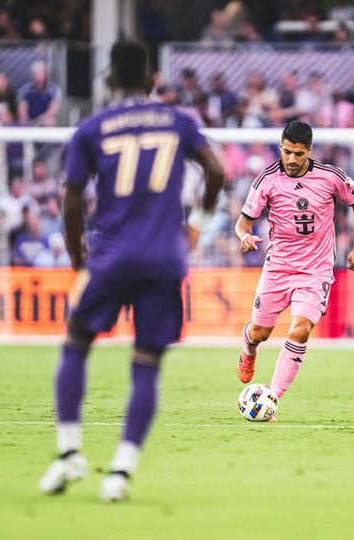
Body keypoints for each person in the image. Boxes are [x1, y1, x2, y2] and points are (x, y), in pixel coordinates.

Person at [38, 41, 225, 501]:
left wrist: (81, 262)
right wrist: (196, 226)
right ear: (151, 79)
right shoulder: (179, 121)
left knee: (76, 342)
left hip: (113, 254)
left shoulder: (93, 128)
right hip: (164, 258)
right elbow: (216, 173)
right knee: (146, 364)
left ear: (108, 81)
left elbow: (73, 199)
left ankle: (69, 455)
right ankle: (120, 471)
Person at [235, 120, 354, 415]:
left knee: (300, 330)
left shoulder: (330, 177)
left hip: (315, 271)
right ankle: (248, 350)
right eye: (286, 152)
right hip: (278, 268)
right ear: (280, 148)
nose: (292, 160)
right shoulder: (267, 180)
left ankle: (272, 396)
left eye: (298, 153)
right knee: (259, 333)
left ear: (309, 150)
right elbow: (243, 222)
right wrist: (244, 236)